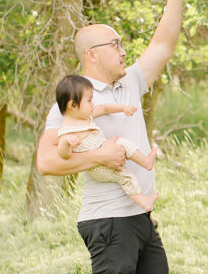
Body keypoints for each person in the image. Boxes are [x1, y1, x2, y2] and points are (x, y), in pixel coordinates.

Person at [36, 0, 187, 274]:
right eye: (115, 44)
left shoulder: (130, 84)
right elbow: (46, 163)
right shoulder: (73, 102)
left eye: (123, 43)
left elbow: (164, 42)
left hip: (139, 218)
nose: (124, 51)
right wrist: (98, 156)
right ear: (91, 55)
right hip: (106, 222)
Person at [54, 74, 159, 212]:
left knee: (122, 142)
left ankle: (145, 162)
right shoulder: (66, 130)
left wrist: (123, 108)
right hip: (98, 167)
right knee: (124, 176)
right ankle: (143, 202)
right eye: (89, 100)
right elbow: (63, 154)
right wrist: (67, 143)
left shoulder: (86, 116)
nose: (93, 104)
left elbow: (104, 108)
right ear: (72, 105)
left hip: (105, 148)